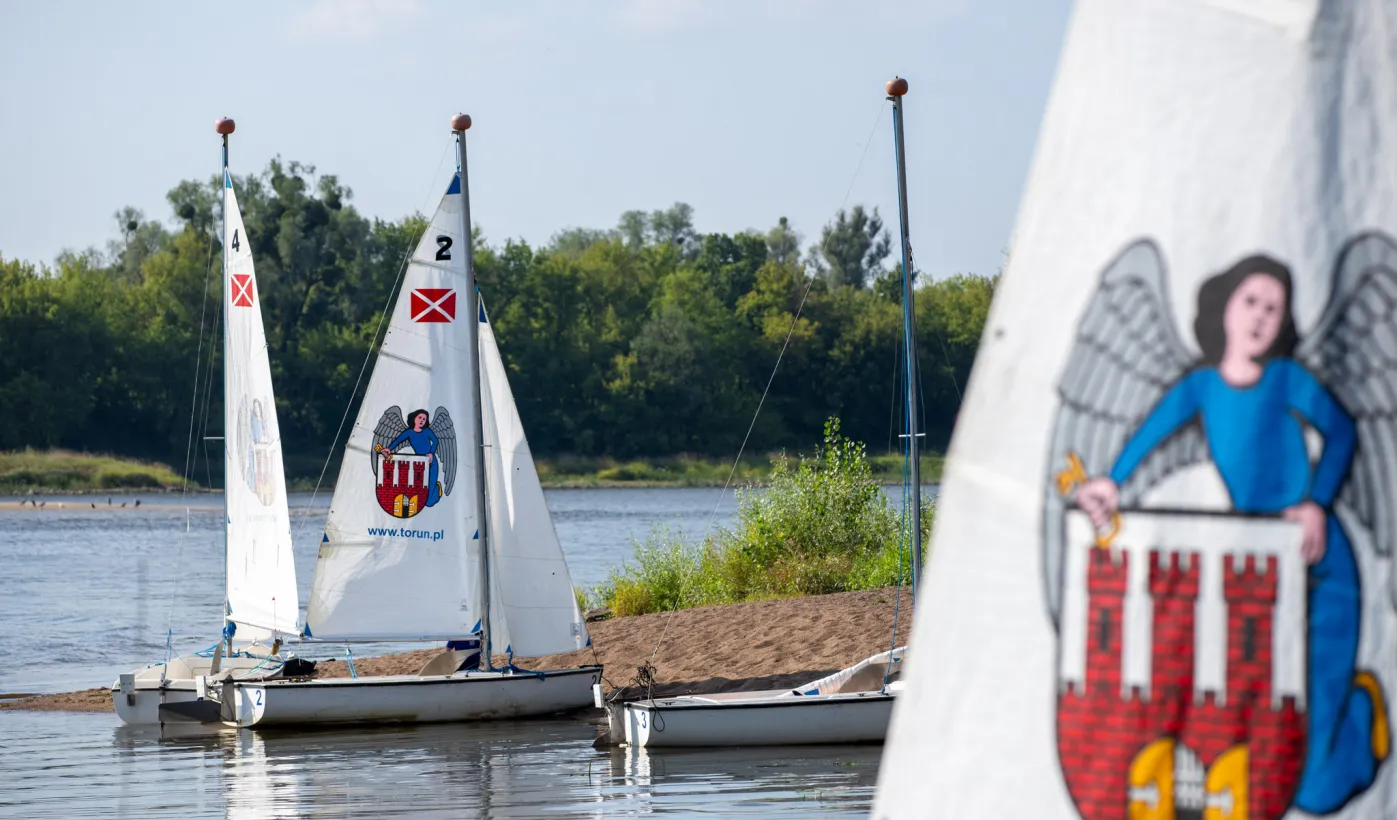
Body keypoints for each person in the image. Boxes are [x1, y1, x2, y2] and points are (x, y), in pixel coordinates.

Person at [1074, 254, 1388, 812]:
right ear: (1225, 309)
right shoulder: (1200, 388)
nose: (1262, 316)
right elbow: (1148, 437)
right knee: (1274, 759)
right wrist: (1111, 485)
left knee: (1313, 792)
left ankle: (1364, 714)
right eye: (1251, 301)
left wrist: (1316, 504)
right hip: (1260, 575)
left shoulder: (1288, 378)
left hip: (1321, 565)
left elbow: (1341, 432)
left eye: (1274, 307)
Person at [382, 408, 442, 507]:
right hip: (420, 464)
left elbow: (435, 441)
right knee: (421, 497)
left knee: (428, 502)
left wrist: (431, 453)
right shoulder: (409, 432)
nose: (422, 420)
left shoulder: (427, 431)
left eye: (424, 419)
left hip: (431, 462)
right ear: (414, 418)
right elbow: (398, 440)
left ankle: (437, 488)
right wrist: (389, 449)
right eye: (420, 417)